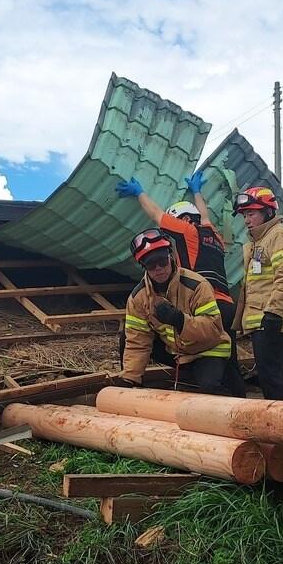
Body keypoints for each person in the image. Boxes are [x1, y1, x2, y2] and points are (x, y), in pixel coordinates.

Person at [115, 169, 247, 395]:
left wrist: (140, 193)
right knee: (229, 362)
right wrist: (197, 192)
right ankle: (240, 401)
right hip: (226, 303)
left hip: (202, 299)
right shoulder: (212, 235)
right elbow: (204, 216)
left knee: (209, 353)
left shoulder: (188, 231)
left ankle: (206, 383)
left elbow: (157, 216)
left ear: (185, 219)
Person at [115, 228, 232, 392]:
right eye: (151, 264)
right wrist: (130, 378)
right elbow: (137, 342)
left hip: (208, 351)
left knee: (211, 389)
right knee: (126, 337)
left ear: (171, 257)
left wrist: (180, 321)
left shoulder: (197, 285)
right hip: (177, 353)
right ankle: (135, 386)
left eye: (162, 261)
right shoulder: (138, 298)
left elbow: (213, 330)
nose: (158, 268)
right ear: (144, 267)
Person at [234, 186, 283, 399]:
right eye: (245, 215)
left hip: (273, 319)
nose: (247, 220)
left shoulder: (279, 236)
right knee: (276, 376)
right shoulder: (257, 242)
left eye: (251, 213)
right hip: (263, 319)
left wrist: (273, 312)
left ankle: (282, 424)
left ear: (268, 212)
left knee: (270, 377)